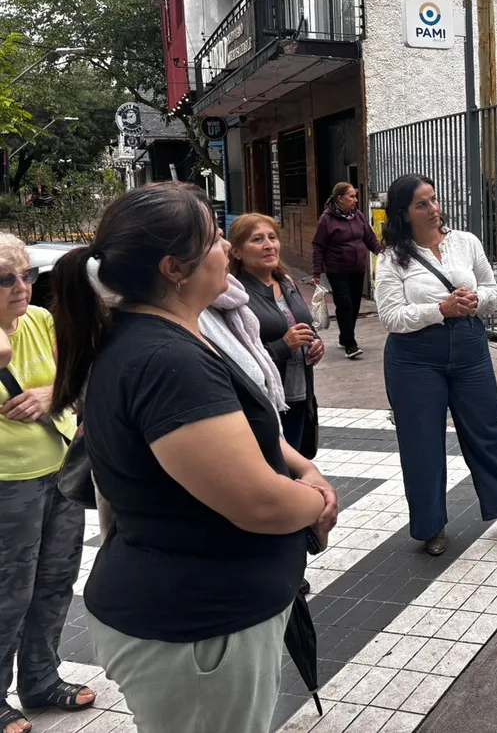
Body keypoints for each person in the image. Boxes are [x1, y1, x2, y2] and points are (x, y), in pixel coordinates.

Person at [50, 182, 338, 733]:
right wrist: (318, 501)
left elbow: (249, 430)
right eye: (212, 239)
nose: (226, 250)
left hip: (203, 617)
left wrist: (303, 467)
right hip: (198, 630)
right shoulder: (166, 360)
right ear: (173, 268)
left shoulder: (171, 333)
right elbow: (256, 504)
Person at [376, 174, 497, 556]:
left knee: (488, 430)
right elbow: (390, 317)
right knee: (421, 441)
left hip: (469, 347)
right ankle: (431, 526)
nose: (434, 209)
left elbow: (492, 290)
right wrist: (440, 309)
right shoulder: (392, 257)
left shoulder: (465, 242)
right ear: (404, 214)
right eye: (422, 204)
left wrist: (476, 300)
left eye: (434, 200)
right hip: (414, 358)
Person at [0, 235, 94, 733]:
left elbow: (81, 383)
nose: (22, 287)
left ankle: (41, 678)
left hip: (60, 471)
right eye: (6, 279)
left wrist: (49, 393)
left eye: (28, 275)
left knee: (56, 579)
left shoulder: (40, 321)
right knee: (8, 591)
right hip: (7, 483)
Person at [232, 213, 324, 453]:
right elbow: (236, 359)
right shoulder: (236, 295)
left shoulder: (287, 283)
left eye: (272, 237)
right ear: (237, 251)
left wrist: (316, 343)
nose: (268, 245)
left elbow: (305, 325)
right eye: (257, 239)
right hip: (265, 403)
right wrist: (284, 345)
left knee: (298, 464)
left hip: (300, 394)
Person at [312, 182, 383, 360]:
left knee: (354, 306)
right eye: (351, 196)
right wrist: (316, 272)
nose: (355, 200)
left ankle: (344, 337)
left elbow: (369, 238)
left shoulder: (357, 215)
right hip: (337, 270)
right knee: (345, 304)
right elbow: (318, 246)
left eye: (355, 196)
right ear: (339, 198)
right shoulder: (327, 219)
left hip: (358, 269)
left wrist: (383, 253)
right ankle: (350, 345)